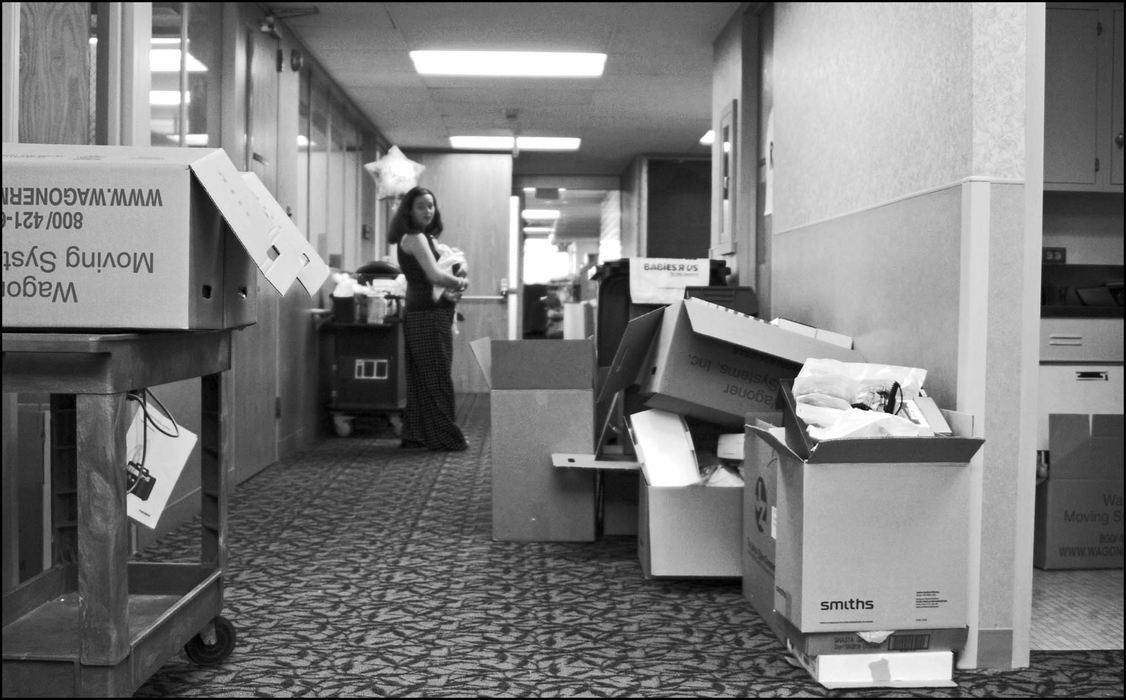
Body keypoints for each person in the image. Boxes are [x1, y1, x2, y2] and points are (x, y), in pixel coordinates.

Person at [388, 186, 469, 451]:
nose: (428, 211)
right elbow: (434, 275)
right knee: (436, 378)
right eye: (421, 206)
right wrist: (460, 281)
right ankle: (445, 436)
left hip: (426, 312)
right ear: (409, 210)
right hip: (427, 315)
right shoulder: (414, 237)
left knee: (423, 378)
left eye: (431, 205)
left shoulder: (423, 237)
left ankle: (417, 434)